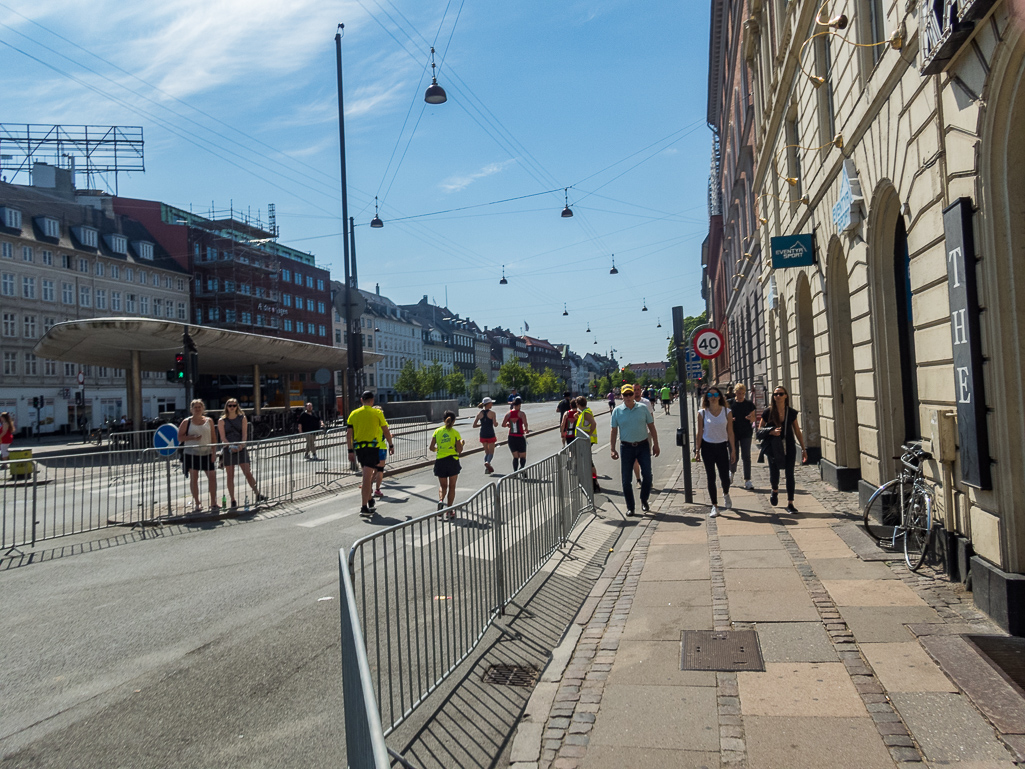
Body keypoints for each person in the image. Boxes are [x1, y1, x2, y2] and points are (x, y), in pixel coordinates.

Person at [610, 384, 660, 516]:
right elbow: (614, 431)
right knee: (626, 480)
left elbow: (652, 426)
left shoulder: (643, 408)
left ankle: (644, 499)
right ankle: (630, 507)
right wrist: (612, 449)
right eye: (625, 395)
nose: (627, 397)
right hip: (626, 447)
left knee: (647, 476)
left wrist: (656, 444)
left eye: (630, 394)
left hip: (643, 445)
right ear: (621, 396)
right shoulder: (617, 411)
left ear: (634, 395)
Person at [759, 385, 807, 513]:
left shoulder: (791, 412)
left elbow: (797, 430)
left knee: (790, 474)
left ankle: (790, 503)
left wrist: (803, 448)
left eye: (781, 394)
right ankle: (774, 490)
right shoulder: (768, 412)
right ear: (773, 397)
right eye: (775, 394)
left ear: (786, 396)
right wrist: (771, 432)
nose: (778, 396)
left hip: (789, 446)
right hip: (773, 447)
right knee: (774, 473)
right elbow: (759, 431)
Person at [346, 391, 395, 518]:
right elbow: (386, 430)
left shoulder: (353, 414)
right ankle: (364, 506)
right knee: (366, 477)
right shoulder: (377, 413)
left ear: (362, 400)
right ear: (372, 400)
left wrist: (350, 450)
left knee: (366, 475)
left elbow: (349, 434)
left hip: (359, 449)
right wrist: (391, 445)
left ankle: (370, 500)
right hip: (372, 447)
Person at [694, 385, 735, 518]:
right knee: (711, 477)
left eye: (715, 395)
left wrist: (733, 449)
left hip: (722, 446)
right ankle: (715, 506)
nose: (713, 398)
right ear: (706, 398)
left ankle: (726, 493)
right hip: (707, 447)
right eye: (710, 396)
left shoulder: (727, 412)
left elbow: (730, 432)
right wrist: (697, 450)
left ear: (720, 397)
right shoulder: (702, 413)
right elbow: (699, 433)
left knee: (724, 477)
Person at [217, 400, 267, 508]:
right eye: (230, 405)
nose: (232, 407)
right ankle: (233, 499)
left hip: (241, 448)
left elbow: (244, 434)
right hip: (228, 449)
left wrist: (241, 445)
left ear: (237, 406)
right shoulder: (222, 420)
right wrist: (230, 446)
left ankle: (257, 493)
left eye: (234, 405)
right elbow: (223, 437)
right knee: (230, 475)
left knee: (247, 472)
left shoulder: (242, 418)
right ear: (226, 407)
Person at [178, 399, 218, 512]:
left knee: (212, 477)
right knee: (194, 478)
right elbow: (180, 437)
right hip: (191, 453)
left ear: (203, 408)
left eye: (199, 407)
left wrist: (214, 453)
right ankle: (197, 503)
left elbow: (214, 438)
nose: (197, 409)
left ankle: (213, 502)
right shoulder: (187, 422)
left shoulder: (209, 421)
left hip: (207, 453)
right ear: (191, 409)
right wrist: (192, 437)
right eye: (195, 407)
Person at [430, 410, 465, 519]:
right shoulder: (455, 433)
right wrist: (462, 444)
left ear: (443, 419)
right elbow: (459, 450)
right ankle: (449, 510)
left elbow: (431, 448)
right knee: (452, 486)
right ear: (454, 421)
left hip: (440, 460)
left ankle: (441, 500)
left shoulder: (437, 431)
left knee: (443, 485)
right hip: (452, 461)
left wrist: (439, 449)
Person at [728, 383, 758, 490]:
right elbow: (724, 417)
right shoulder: (730, 403)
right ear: (735, 393)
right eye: (738, 393)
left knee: (746, 456)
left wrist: (751, 418)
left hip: (746, 432)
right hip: (733, 433)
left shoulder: (749, 404)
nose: (740, 395)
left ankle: (747, 480)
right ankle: (731, 473)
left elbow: (754, 418)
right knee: (733, 454)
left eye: (742, 393)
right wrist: (730, 420)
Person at [574, 396, 600, 492]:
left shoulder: (586, 413)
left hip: (586, 440)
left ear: (578, 404)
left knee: (588, 462)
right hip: (584, 440)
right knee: (588, 461)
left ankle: (594, 482)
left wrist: (588, 435)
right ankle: (593, 481)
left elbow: (593, 423)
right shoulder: (583, 412)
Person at [502, 396, 529, 472]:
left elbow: (503, 424)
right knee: (523, 456)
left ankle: (515, 472)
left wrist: (508, 425)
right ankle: (522, 468)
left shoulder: (508, 414)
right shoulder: (521, 414)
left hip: (511, 437)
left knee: (515, 456)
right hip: (520, 436)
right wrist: (526, 429)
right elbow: (525, 424)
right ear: (519, 405)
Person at [473, 397, 498, 474]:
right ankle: (488, 462)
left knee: (486, 452)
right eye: (491, 403)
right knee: (491, 452)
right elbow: (495, 424)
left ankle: (487, 468)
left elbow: (474, 425)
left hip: (483, 434)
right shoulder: (492, 413)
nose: (492, 404)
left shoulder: (479, 414)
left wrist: (481, 424)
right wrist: (496, 423)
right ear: (488, 404)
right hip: (490, 433)